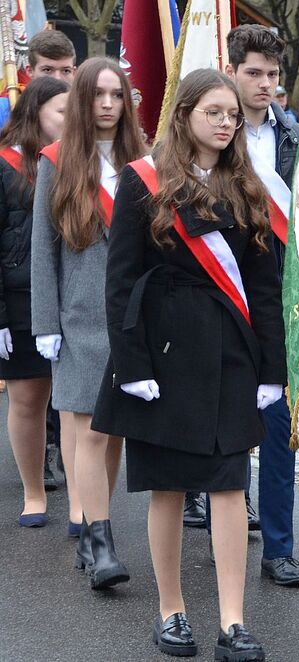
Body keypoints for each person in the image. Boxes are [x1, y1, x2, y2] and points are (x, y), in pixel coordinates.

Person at [91, 68, 284, 661]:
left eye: (233, 115)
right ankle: (171, 611)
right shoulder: (143, 181)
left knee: (229, 484)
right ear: (185, 115)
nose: (227, 124)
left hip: (229, 351)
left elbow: (265, 285)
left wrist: (272, 368)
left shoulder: (248, 186)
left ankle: (232, 621)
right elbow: (120, 281)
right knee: (169, 486)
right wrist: (132, 366)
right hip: (163, 352)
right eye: (214, 113)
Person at [30, 57, 146, 589]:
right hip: (77, 318)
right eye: (97, 95)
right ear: (81, 101)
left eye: (116, 95)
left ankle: (96, 529)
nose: (106, 104)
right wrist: (44, 322)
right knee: (85, 431)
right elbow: (42, 250)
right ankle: (98, 540)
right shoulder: (56, 161)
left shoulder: (143, 162)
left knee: (115, 432)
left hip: (129, 319)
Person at [222, 23, 299, 587]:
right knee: (225, 421)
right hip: (223, 293)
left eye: (273, 75)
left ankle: (279, 546)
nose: (265, 85)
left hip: (276, 295)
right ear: (231, 71)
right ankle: (220, 513)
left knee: (280, 423)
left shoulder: (294, 135)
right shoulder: (210, 132)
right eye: (253, 73)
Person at [0, 76, 69, 527]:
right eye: (62, 111)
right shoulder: (6, 165)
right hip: (21, 298)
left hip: (74, 298)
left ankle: (86, 502)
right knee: (28, 398)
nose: (71, 119)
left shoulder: (83, 161)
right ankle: (33, 491)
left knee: (75, 403)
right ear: (35, 112)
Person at [26, 29, 76, 494]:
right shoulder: (14, 149)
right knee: (32, 393)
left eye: (67, 71)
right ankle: (38, 463)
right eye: (48, 71)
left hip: (74, 294)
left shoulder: (82, 147)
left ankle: (64, 455)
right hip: (22, 289)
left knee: (67, 394)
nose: (60, 79)